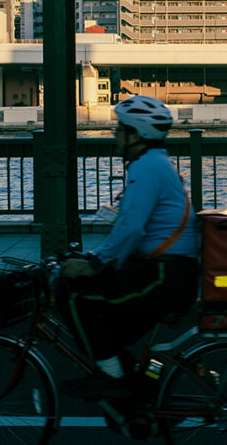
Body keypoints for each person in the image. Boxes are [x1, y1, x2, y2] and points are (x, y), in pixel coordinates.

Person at [57, 95, 198, 399]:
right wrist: (99, 259)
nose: (115, 136)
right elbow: (135, 225)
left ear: (135, 134)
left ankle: (112, 379)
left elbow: (132, 226)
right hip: (169, 273)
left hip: (163, 277)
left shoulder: (146, 166)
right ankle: (135, 389)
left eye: (119, 130)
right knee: (106, 323)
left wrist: (94, 263)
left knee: (71, 292)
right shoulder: (155, 162)